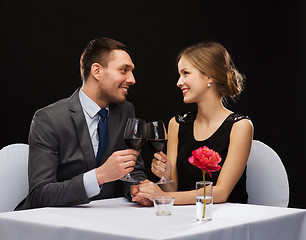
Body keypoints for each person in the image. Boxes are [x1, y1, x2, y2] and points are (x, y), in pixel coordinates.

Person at [16, 37, 151, 210]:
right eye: (124, 70)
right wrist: (99, 176)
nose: (132, 79)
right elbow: (40, 194)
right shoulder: (48, 119)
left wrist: (137, 189)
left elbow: (134, 170)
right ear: (97, 71)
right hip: (54, 224)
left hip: (108, 220)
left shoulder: (126, 111)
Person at [133, 41, 253, 205]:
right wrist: (166, 177)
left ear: (209, 76)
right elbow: (173, 189)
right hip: (187, 217)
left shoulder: (240, 126)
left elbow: (221, 193)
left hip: (227, 220)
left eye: (186, 73)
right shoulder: (177, 124)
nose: (179, 82)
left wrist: (162, 196)